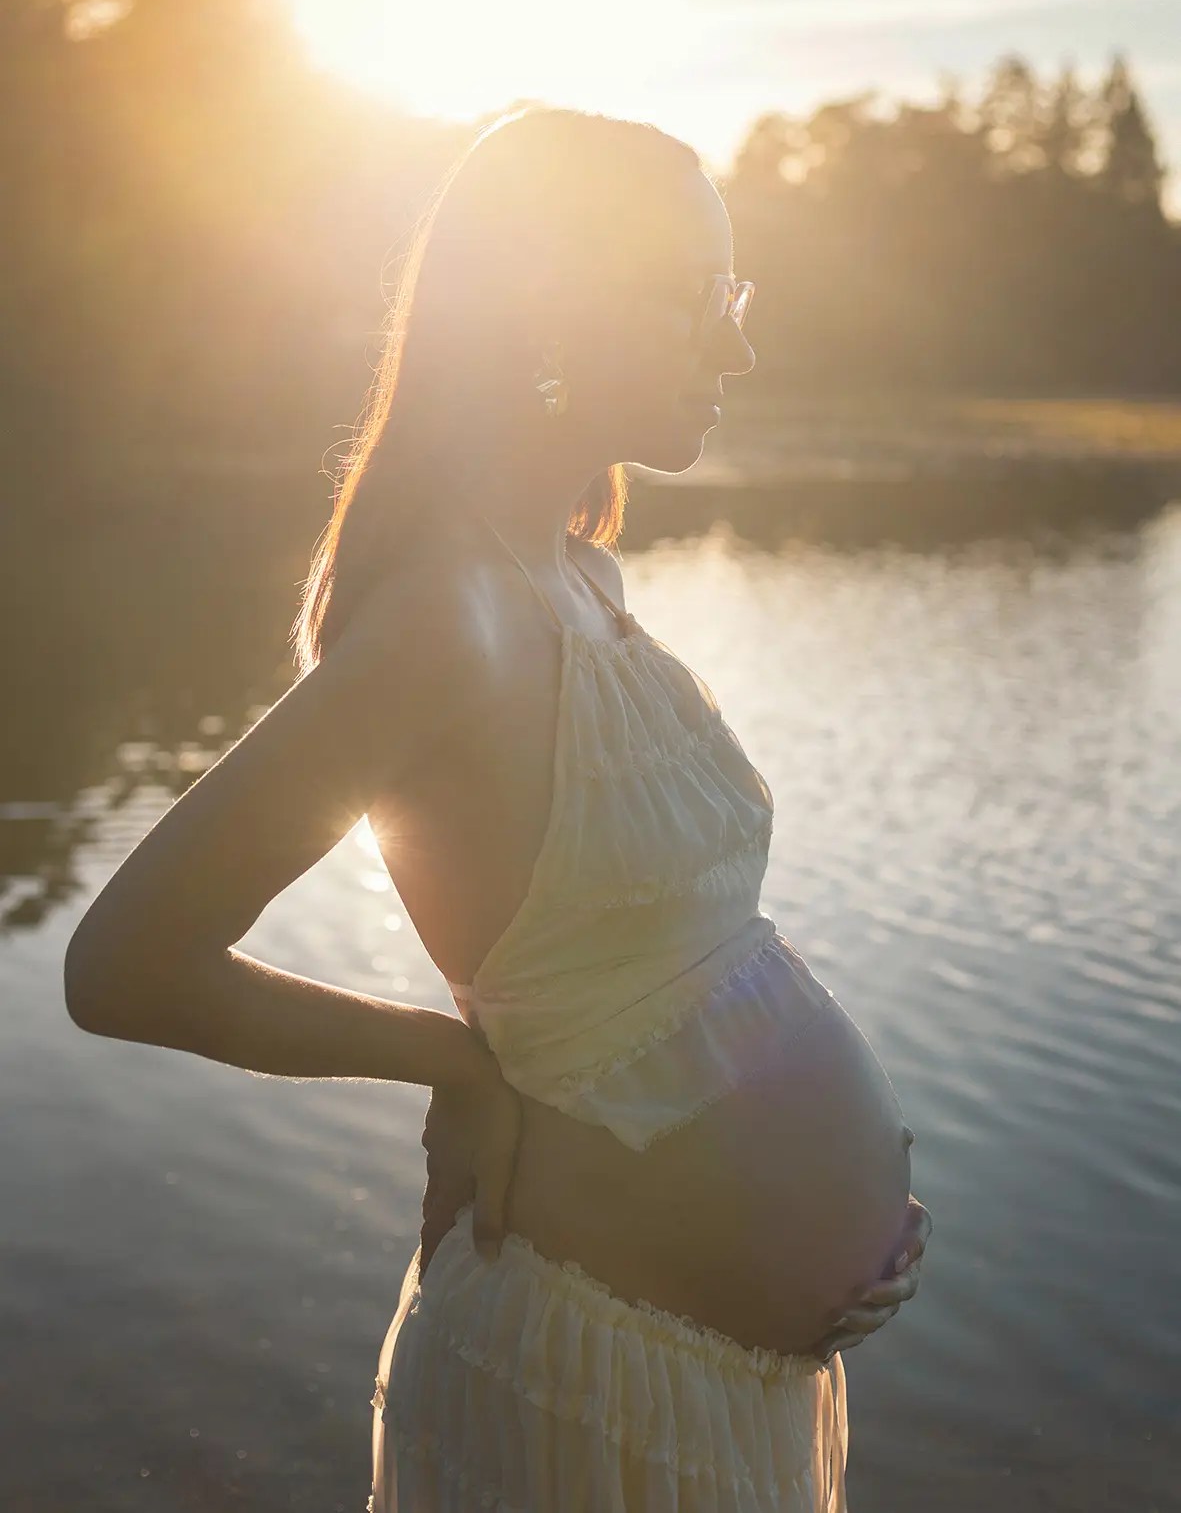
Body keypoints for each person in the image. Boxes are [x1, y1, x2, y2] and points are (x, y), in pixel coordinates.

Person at [64, 106, 931, 1511]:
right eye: (695, 301)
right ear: (548, 305)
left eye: (735, 295)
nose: (735, 349)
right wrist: (448, 1063)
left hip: (724, 1387)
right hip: (584, 1394)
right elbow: (125, 964)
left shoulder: (579, 575)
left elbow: (675, 966)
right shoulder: (445, 623)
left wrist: (845, 1207)